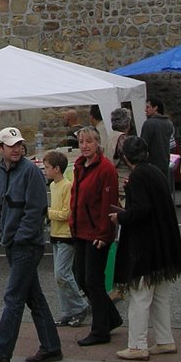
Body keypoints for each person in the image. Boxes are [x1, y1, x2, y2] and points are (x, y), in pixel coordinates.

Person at [0, 127, 62, 362]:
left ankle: (1, 351)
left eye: (19, 144)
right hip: (13, 243)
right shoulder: (1, 172)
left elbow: (36, 210)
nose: (16, 149)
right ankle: (52, 346)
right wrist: (4, 233)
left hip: (26, 245)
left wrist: (20, 237)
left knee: (13, 297)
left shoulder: (30, 171)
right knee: (34, 298)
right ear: (0, 148)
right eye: (11, 145)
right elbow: (0, 204)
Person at [108, 136, 181, 360]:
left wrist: (120, 216)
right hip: (164, 244)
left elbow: (141, 210)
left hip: (147, 245)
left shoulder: (139, 176)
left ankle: (137, 345)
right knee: (160, 296)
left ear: (125, 156)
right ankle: (164, 340)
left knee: (140, 296)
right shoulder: (154, 171)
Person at [70, 126, 123, 346]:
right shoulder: (79, 166)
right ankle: (110, 317)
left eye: (88, 142)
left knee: (94, 280)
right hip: (81, 230)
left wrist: (104, 233)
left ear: (97, 143)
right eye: (81, 142)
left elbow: (107, 204)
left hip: (96, 233)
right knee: (80, 275)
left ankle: (100, 329)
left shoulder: (106, 169)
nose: (84, 146)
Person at [43, 149, 88, 327]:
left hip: (66, 235)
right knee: (59, 276)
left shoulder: (67, 186)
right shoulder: (53, 186)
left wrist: (47, 212)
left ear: (56, 169)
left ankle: (80, 306)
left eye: (47, 167)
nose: (45, 170)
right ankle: (67, 311)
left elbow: (66, 213)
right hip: (56, 233)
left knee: (63, 273)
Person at [140, 97, 174, 178]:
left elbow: (143, 145)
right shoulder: (169, 123)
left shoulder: (149, 124)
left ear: (155, 108)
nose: (145, 110)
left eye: (148, 107)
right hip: (165, 164)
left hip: (151, 166)